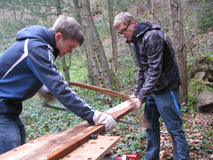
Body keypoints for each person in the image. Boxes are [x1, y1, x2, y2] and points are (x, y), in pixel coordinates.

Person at [0, 15, 116, 154]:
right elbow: (60, 88)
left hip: (9, 108)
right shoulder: (37, 47)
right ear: (59, 36)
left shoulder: (40, 45)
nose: (70, 51)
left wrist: (40, 87)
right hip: (3, 109)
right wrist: (93, 116)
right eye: (70, 46)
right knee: (12, 154)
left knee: (20, 151)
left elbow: (18, 74)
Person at [113, 12, 190, 160]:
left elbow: (155, 69)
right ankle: (151, 157)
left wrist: (141, 97)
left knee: (174, 130)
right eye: (119, 33)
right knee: (150, 127)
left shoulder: (152, 36)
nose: (123, 35)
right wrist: (136, 93)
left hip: (167, 89)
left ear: (132, 23)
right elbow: (142, 69)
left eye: (124, 30)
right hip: (152, 91)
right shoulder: (135, 40)